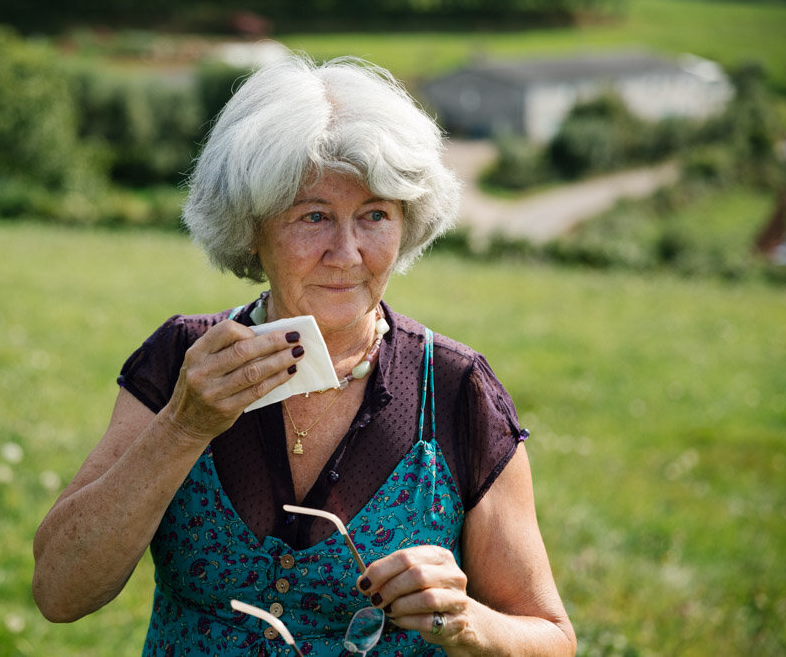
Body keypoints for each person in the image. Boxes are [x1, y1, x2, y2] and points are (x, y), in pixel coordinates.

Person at [32, 53, 576, 656]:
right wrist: (183, 426)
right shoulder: (183, 361)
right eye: (313, 216)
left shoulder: (454, 388)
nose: (347, 253)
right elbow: (60, 593)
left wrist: (464, 619)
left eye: (375, 215)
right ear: (252, 228)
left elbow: (552, 639)